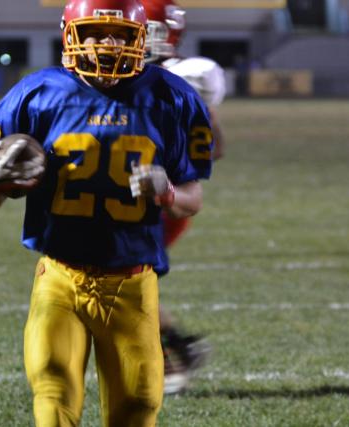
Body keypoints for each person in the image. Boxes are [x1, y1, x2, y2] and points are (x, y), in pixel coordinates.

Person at [0, 0, 213, 425]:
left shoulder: (170, 97)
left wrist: (169, 192)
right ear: (70, 35)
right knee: (54, 390)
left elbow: (194, 198)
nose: (107, 44)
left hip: (133, 281)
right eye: (96, 32)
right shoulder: (36, 94)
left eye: (120, 34)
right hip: (61, 278)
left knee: (137, 405)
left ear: (140, 39)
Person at [142, 0, 227, 395]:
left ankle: (171, 359)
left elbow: (213, 148)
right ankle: (179, 348)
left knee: (123, 280)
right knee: (127, 283)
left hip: (163, 197)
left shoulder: (185, 76)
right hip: (137, 194)